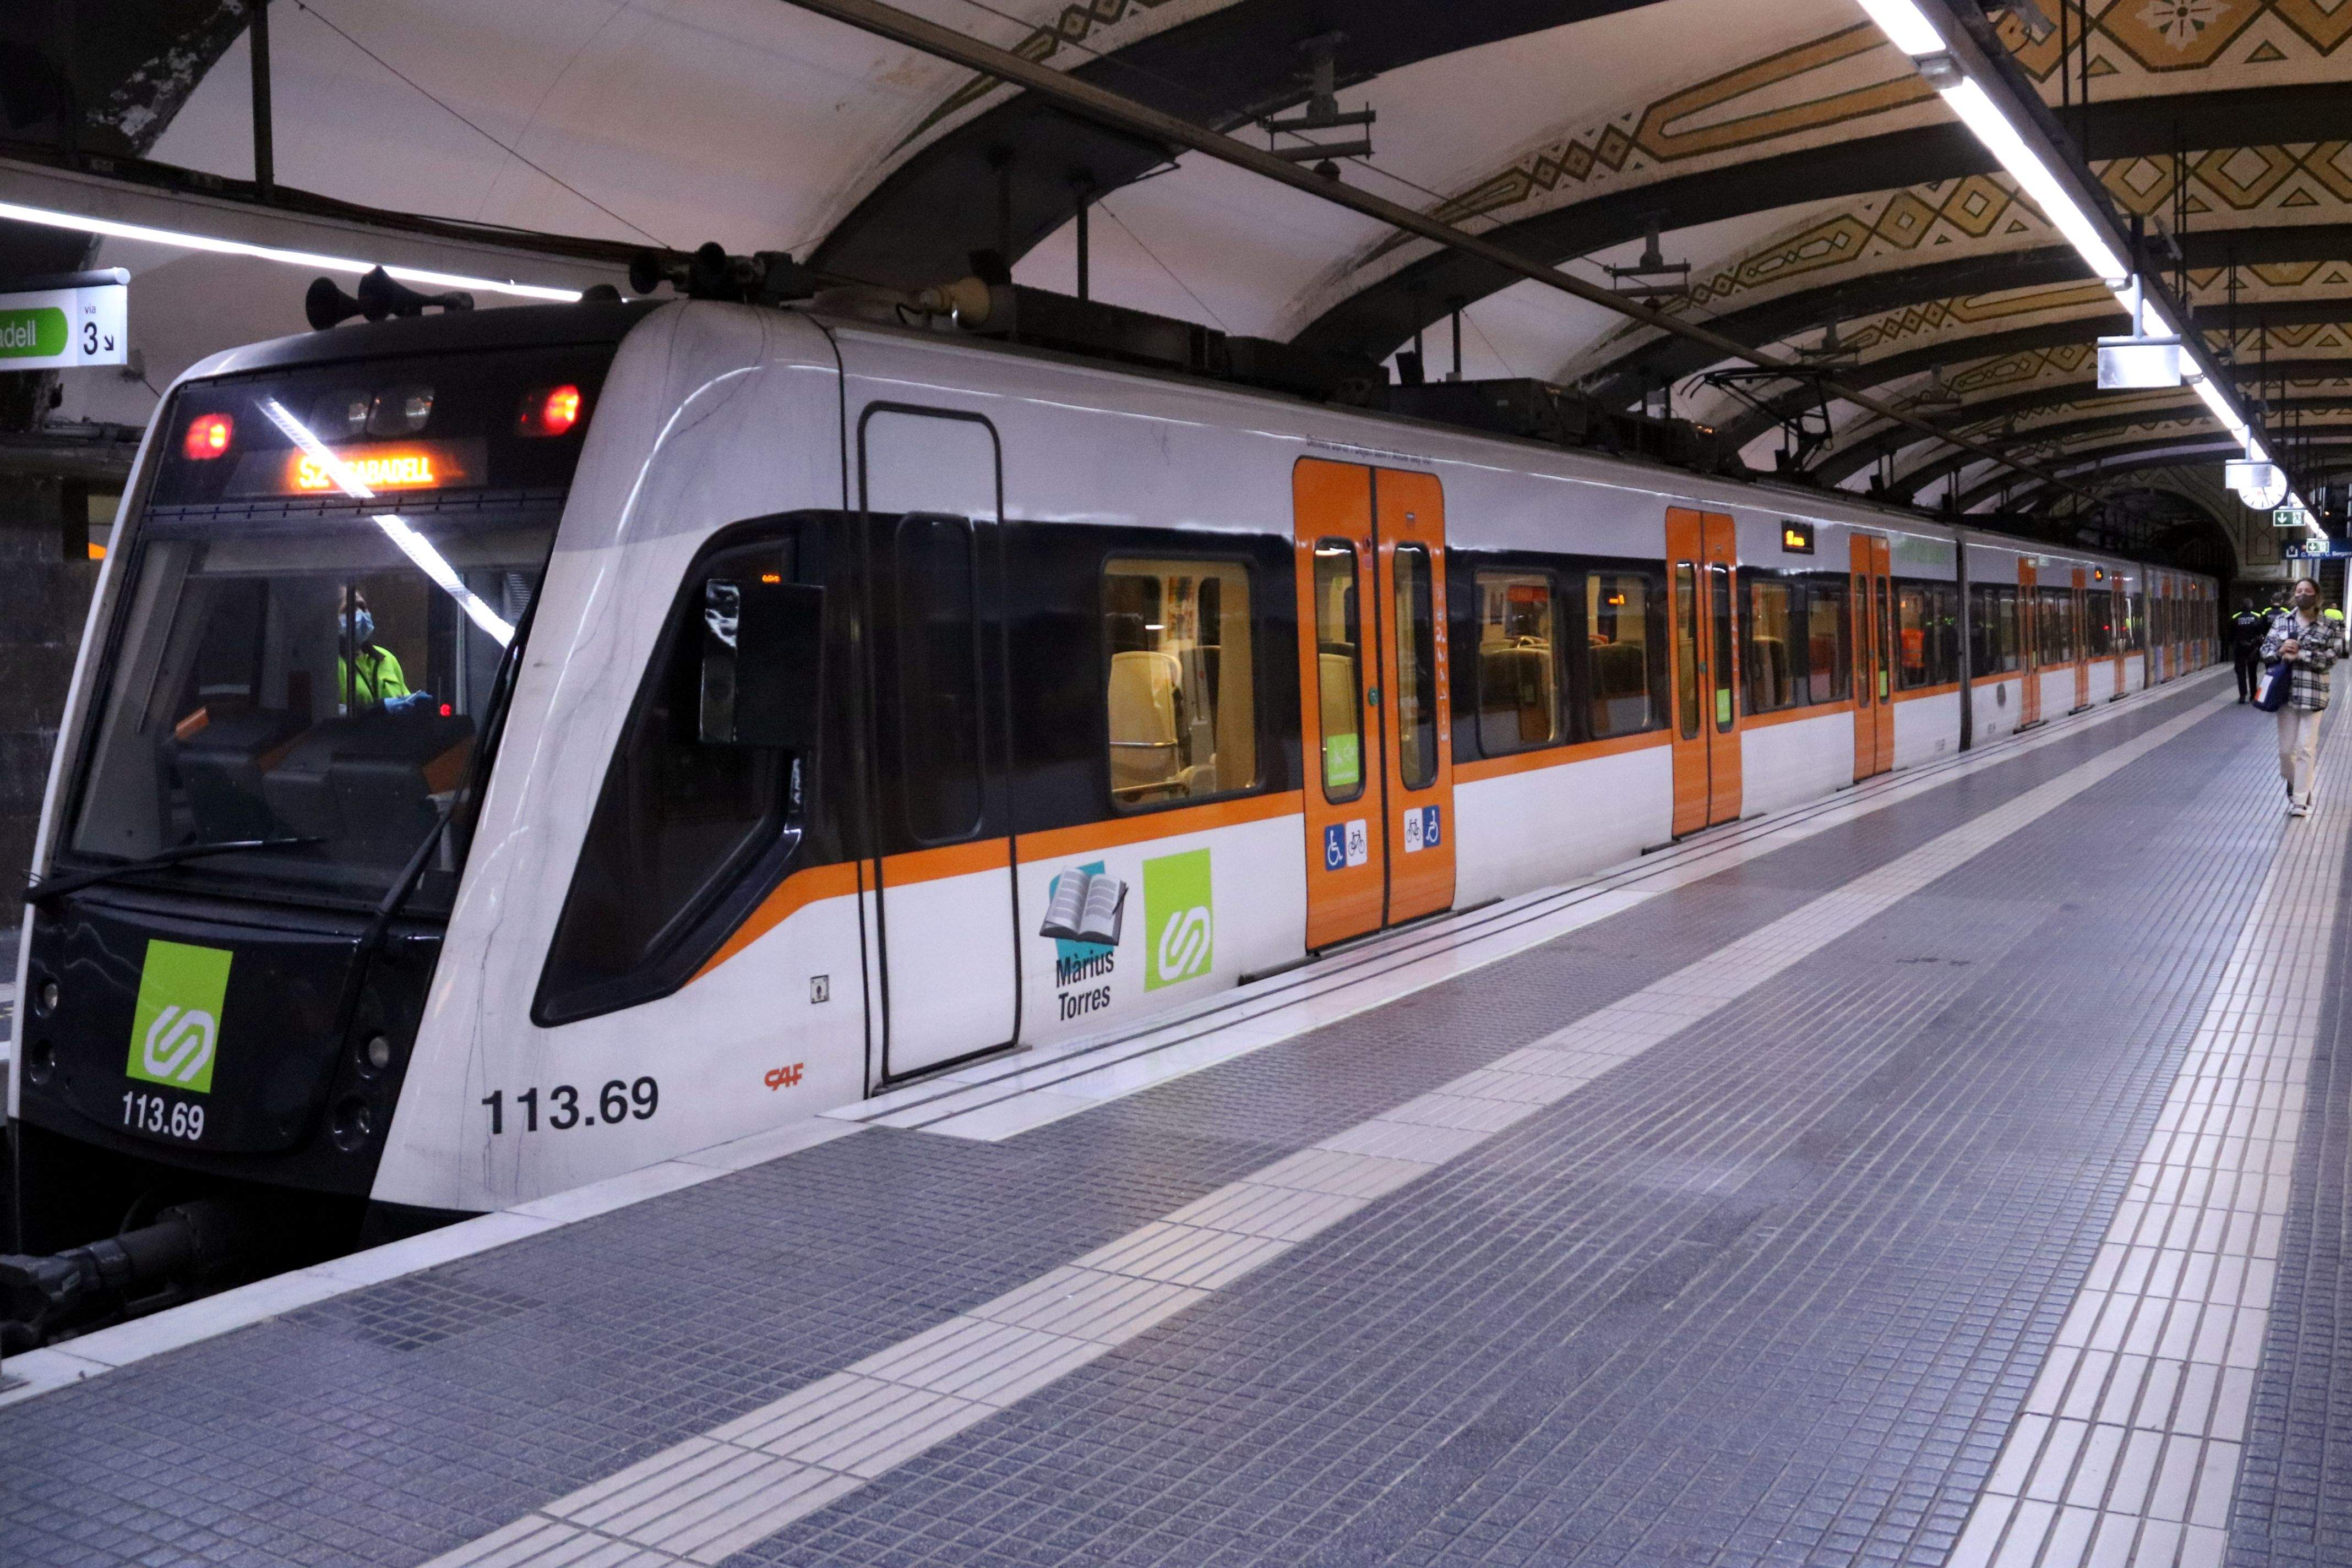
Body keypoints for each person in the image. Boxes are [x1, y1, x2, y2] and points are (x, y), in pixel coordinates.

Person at [2260, 576, 2341, 816]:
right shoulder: (2282, 621)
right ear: (2294, 595)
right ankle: (2295, 782)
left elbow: (2332, 659)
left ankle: (2300, 801)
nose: (2303, 594)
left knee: (2306, 748)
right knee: (2286, 751)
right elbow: (2265, 651)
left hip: (2314, 694)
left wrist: (2302, 655)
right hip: (2285, 693)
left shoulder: (2330, 625)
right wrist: (2280, 650)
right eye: (2299, 591)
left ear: (2317, 596)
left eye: (2308, 591)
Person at [337, 587, 434, 714]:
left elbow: (402, 698)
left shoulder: (386, 657)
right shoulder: (329, 663)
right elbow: (329, 712)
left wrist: (411, 703)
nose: (360, 614)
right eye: (350, 609)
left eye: (362, 607)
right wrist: (381, 708)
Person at [2231, 596, 2269, 701]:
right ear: (2251, 606)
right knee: (2252, 672)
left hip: (2240, 648)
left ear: (2241, 606)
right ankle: (2253, 694)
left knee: (2241, 672)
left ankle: (2242, 695)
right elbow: (2261, 632)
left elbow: (2231, 634)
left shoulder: (2235, 618)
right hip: (2253, 649)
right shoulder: (2257, 617)